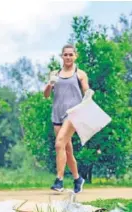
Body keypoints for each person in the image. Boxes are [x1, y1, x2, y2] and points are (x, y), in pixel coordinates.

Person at [43, 44, 94, 194]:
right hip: (57, 114)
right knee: (67, 149)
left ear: (75, 56)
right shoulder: (55, 73)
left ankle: (59, 180)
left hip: (73, 113)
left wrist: (89, 94)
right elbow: (46, 95)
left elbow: (86, 90)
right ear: (62, 56)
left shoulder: (80, 74)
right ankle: (78, 178)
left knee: (59, 144)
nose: (68, 57)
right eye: (65, 55)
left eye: (71, 55)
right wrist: (50, 84)